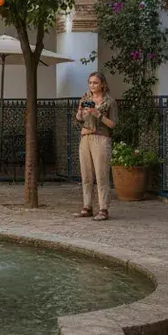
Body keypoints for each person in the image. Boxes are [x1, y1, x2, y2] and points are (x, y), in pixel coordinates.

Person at [74, 71, 117, 222]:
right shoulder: (85, 99)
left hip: (101, 139)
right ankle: (87, 207)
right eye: (90, 83)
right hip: (85, 138)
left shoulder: (110, 102)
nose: (92, 85)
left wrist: (98, 114)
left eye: (95, 83)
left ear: (102, 84)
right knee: (86, 175)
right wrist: (80, 110)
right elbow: (79, 119)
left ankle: (103, 209)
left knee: (101, 175)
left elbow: (113, 124)